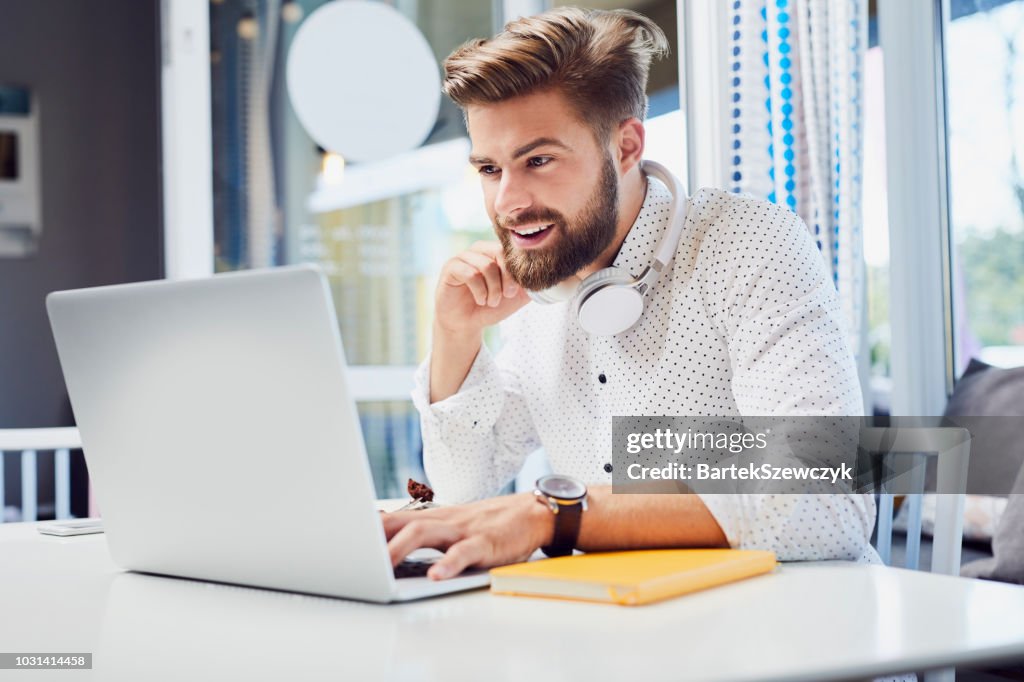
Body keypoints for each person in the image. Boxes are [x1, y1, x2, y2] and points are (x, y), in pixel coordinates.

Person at [383, 6, 878, 580]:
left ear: (625, 147)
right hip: (616, 627)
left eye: (538, 160)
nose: (506, 203)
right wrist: (455, 336)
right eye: (490, 170)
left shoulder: (749, 244)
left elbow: (829, 500)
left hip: (785, 632)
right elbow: (461, 489)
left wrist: (557, 516)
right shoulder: (541, 291)